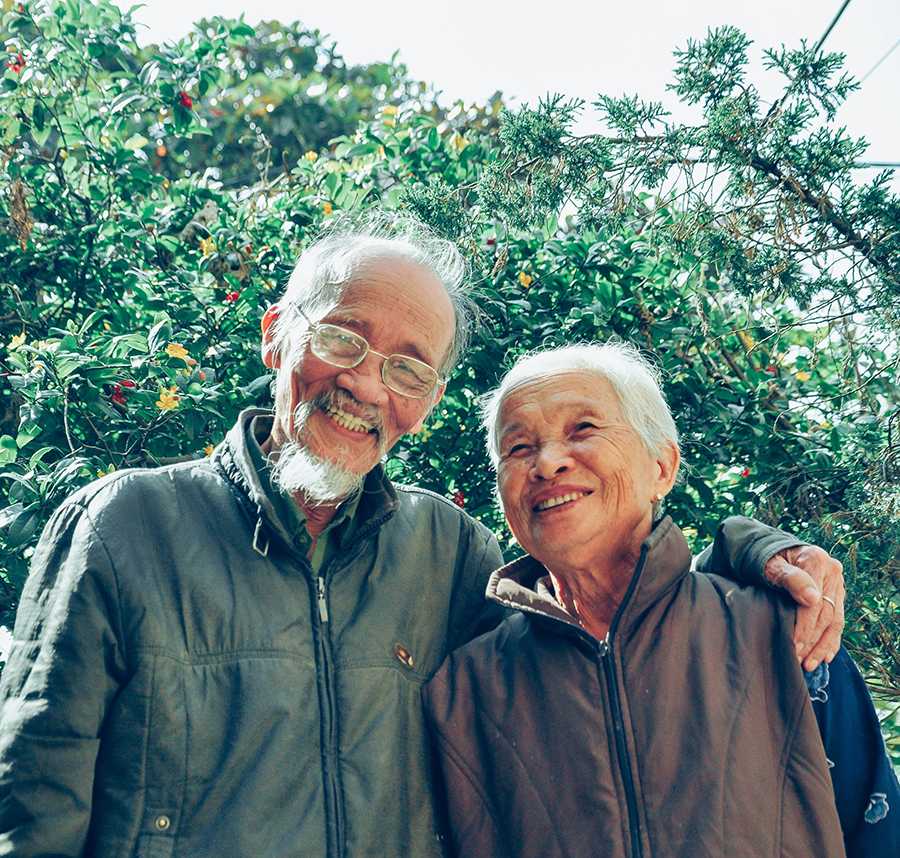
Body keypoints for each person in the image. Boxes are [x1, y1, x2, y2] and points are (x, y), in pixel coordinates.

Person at [0, 213, 845, 858]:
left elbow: (606, 623)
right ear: (276, 336)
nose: (367, 385)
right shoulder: (124, 527)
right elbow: (32, 807)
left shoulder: (447, 551)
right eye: (342, 338)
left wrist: (751, 556)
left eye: (407, 367)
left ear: (430, 400)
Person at [423, 342, 899, 858]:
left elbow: (878, 830)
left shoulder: (783, 631)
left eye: (583, 429)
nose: (548, 463)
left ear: (662, 468)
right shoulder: (464, 688)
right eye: (518, 448)